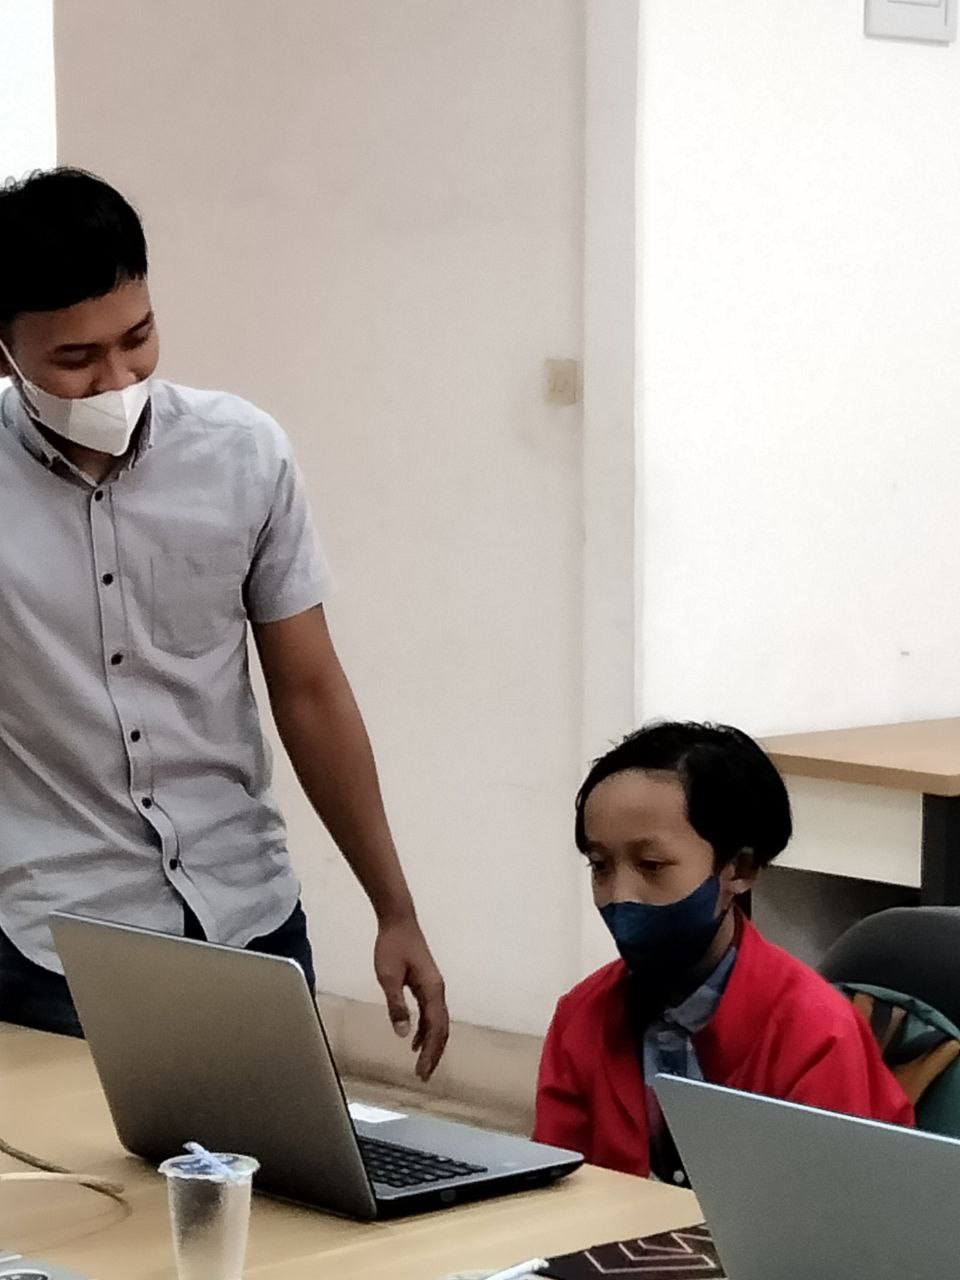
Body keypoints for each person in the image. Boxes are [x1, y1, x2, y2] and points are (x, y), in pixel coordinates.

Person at [0, 167, 447, 1079]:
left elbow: (311, 692)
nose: (117, 379)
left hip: (249, 921)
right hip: (54, 947)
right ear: (4, 352)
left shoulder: (242, 453)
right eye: (76, 359)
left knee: (283, 1166)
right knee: (77, 1179)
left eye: (137, 337)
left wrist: (393, 907)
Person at [534, 721, 913, 1180]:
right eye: (600, 866)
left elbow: (832, 1208)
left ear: (739, 869)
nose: (621, 895)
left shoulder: (816, 1034)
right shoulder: (582, 1017)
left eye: (652, 865)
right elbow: (555, 1189)